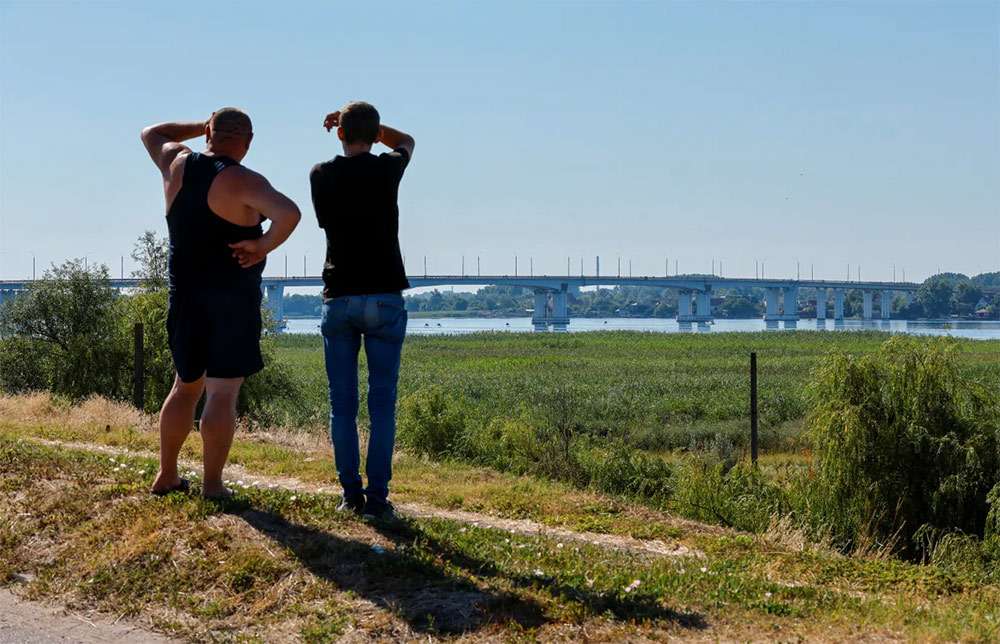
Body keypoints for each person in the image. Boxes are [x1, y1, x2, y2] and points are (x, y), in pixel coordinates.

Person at [141, 108, 301, 498]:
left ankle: (167, 474)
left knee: (184, 387)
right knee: (222, 392)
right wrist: (262, 246)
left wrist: (203, 126)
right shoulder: (245, 180)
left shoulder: (176, 163)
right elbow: (289, 214)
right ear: (248, 141)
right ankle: (212, 485)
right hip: (232, 300)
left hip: (185, 298)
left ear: (208, 133)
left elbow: (151, 132)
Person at [310, 101, 415, 519]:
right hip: (385, 295)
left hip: (339, 295)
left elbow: (325, 223)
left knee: (342, 405)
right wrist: (373, 130)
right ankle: (379, 498)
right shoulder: (388, 168)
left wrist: (351, 125)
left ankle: (350, 495)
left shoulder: (321, 174)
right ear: (374, 135)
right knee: (382, 404)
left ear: (339, 133)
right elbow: (407, 141)